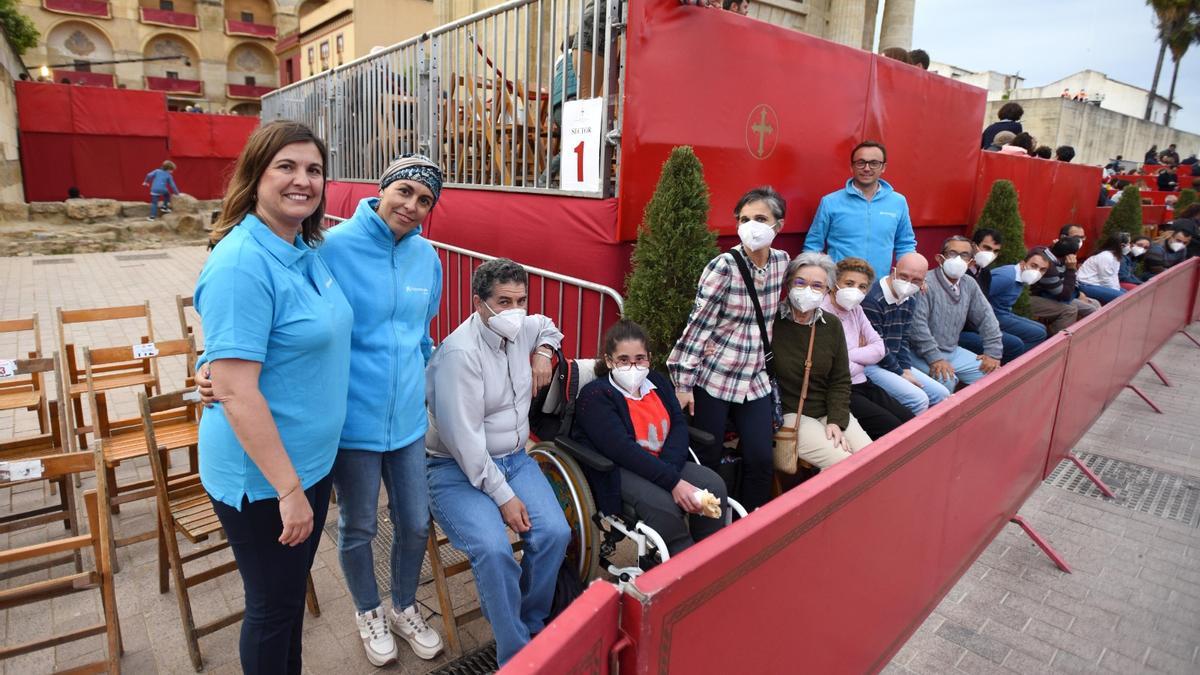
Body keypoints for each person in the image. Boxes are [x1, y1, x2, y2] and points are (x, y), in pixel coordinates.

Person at [195, 121, 353, 674]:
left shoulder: (303, 248)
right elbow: (237, 391)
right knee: (271, 608)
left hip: (308, 463)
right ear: (255, 175)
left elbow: (239, 344)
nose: (302, 181)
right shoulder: (243, 260)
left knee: (287, 603)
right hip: (265, 479)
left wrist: (206, 364)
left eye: (313, 169)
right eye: (286, 166)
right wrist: (289, 490)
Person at [318, 156, 446, 665]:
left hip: (409, 422)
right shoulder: (332, 248)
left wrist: (426, 376)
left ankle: (403, 605)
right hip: (354, 421)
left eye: (425, 201)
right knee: (359, 526)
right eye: (406, 192)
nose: (412, 206)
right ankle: (367, 610)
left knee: (416, 522)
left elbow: (420, 332)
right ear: (384, 188)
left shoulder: (427, 258)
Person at [424, 258, 571, 666]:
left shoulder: (523, 328)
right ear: (479, 304)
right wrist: (504, 496)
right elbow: (465, 444)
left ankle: (528, 621)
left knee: (555, 534)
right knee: (493, 550)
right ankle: (516, 654)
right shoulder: (459, 354)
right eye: (503, 302)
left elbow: (547, 326)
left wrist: (544, 351)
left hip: (514, 458)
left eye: (520, 300)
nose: (514, 311)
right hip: (454, 469)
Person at [668, 186, 790, 511]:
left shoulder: (781, 262)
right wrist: (683, 383)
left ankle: (750, 522)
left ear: (778, 225)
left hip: (756, 379)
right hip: (716, 376)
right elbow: (698, 327)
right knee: (707, 455)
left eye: (761, 218)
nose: (752, 225)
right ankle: (707, 524)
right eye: (745, 218)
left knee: (761, 457)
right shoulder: (723, 266)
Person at [572, 320, 728, 556]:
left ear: (649, 358)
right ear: (609, 361)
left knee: (714, 484)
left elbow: (677, 424)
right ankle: (684, 561)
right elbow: (621, 450)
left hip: (664, 462)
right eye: (623, 359)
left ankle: (711, 555)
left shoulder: (658, 382)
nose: (632, 366)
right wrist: (673, 482)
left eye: (640, 358)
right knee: (664, 508)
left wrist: (669, 473)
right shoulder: (595, 396)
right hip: (620, 468)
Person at [772, 252, 872, 469]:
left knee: (870, 457)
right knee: (842, 462)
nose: (808, 290)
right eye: (800, 282)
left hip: (827, 409)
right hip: (789, 412)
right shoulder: (772, 323)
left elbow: (840, 379)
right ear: (788, 284)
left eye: (817, 285)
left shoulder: (831, 325)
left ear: (828, 290)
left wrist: (836, 420)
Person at [821, 258, 914, 439]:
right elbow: (832, 367)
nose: (855, 290)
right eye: (849, 283)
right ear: (834, 283)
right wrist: (862, 357)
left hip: (862, 382)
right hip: (838, 389)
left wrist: (847, 355)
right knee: (891, 427)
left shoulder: (856, 310)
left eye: (862, 286)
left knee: (909, 419)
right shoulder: (821, 310)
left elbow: (879, 349)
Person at [804, 141, 916, 280]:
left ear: (883, 167)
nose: (867, 168)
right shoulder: (830, 202)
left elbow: (905, 244)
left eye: (874, 163)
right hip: (839, 285)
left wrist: (911, 274)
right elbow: (813, 245)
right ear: (852, 166)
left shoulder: (898, 202)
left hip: (879, 286)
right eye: (861, 162)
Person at [908, 236, 1003, 387]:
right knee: (947, 381)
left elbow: (986, 317)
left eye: (964, 255)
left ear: (971, 262)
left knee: (995, 376)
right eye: (952, 253)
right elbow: (917, 328)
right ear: (940, 258)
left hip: (952, 351)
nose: (958, 259)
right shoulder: (925, 283)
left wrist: (993, 352)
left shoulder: (969, 283)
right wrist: (936, 358)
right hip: (919, 353)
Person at [862, 252, 950, 416]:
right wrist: (901, 372)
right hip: (871, 363)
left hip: (892, 361)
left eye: (916, 280)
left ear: (923, 281)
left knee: (942, 394)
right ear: (893, 271)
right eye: (904, 276)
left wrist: (906, 368)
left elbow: (903, 338)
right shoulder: (873, 300)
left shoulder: (909, 299)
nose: (908, 283)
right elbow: (877, 346)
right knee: (918, 399)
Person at [960, 229, 1028, 363]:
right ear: (974, 246)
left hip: (976, 327)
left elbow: (983, 306)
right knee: (1013, 345)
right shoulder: (959, 270)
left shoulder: (985, 273)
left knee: (1014, 341)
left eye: (995, 251)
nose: (990, 254)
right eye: (987, 248)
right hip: (958, 331)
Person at [1029, 227, 1099, 331]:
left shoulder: (1055, 256)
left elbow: (1067, 285)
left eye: (1082, 237)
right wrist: (1071, 269)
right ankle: (1056, 341)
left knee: (1095, 303)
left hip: (1056, 293)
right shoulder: (1048, 266)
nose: (1080, 240)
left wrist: (1078, 294)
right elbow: (1064, 295)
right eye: (1077, 237)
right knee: (1074, 310)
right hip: (1036, 295)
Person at [984, 250, 1051, 350]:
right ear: (1023, 263)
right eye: (1034, 266)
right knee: (1038, 334)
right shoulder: (1006, 278)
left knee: (1042, 328)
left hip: (1003, 313)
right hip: (990, 316)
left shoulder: (1021, 276)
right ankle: (1014, 360)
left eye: (1042, 270)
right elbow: (978, 295)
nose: (1037, 272)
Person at [1076, 232, 1129, 305]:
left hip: (1097, 284)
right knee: (1122, 297)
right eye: (1128, 244)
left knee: (1128, 294)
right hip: (1086, 285)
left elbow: (1114, 276)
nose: (1130, 247)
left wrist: (1117, 289)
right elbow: (1106, 279)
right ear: (1122, 245)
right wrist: (1116, 292)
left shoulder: (1115, 257)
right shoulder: (1106, 256)